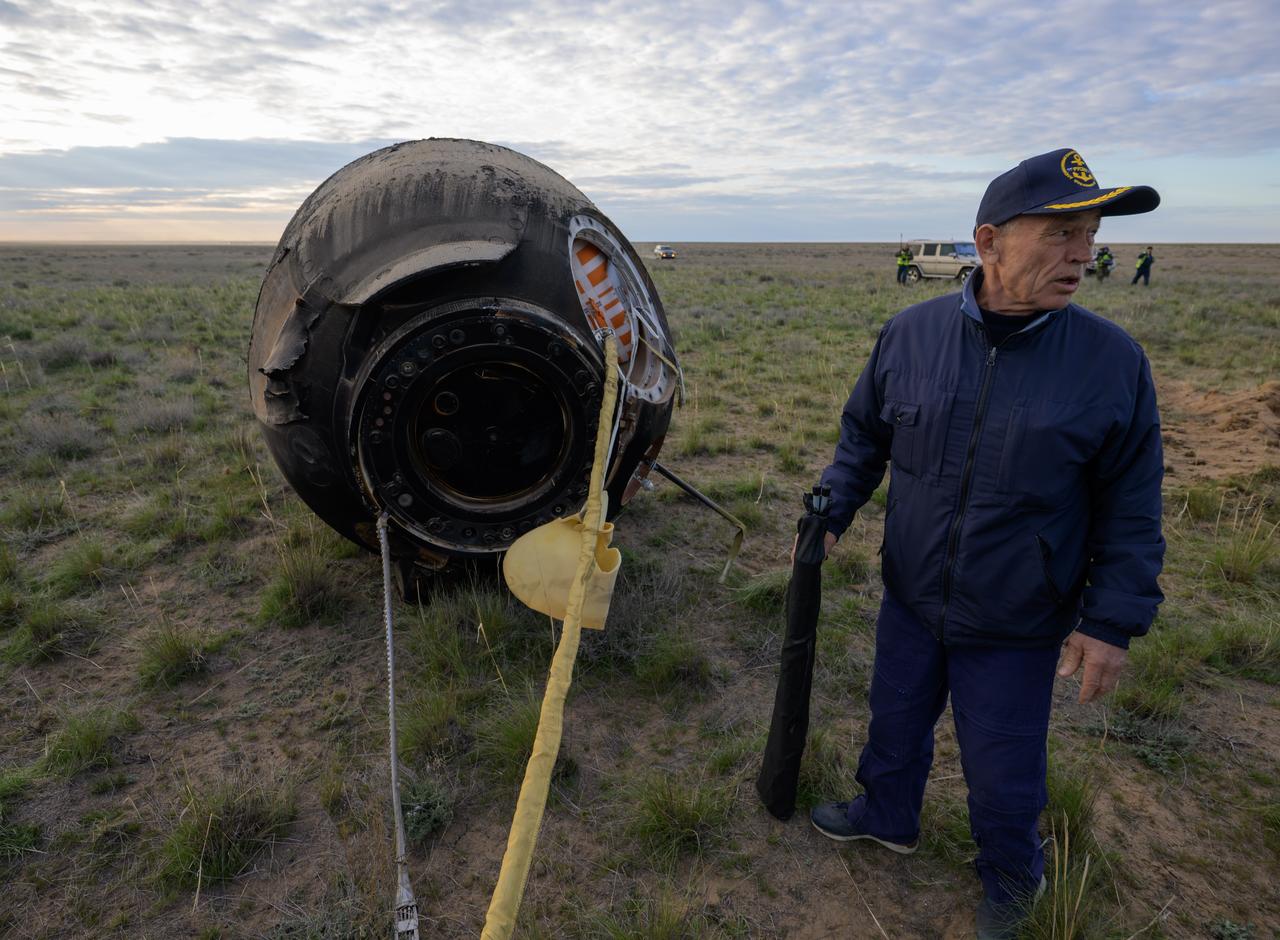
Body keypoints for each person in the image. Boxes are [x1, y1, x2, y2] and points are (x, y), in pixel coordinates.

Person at [805, 149, 1164, 939]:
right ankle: (887, 813)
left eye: (1092, 235)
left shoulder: (1112, 363)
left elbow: (1132, 504)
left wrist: (1112, 621)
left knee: (1004, 763)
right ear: (989, 240)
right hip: (911, 591)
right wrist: (832, 509)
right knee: (893, 720)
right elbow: (864, 436)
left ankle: (1010, 876)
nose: (1085, 254)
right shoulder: (910, 333)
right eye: (1063, 232)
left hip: (1018, 614)